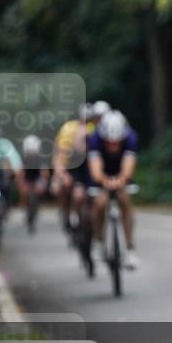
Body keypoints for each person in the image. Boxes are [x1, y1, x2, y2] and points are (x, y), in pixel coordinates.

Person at [87, 110, 139, 269]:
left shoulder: (131, 138)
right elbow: (95, 170)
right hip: (102, 174)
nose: (113, 145)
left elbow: (128, 166)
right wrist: (104, 181)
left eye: (117, 142)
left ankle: (130, 249)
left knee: (125, 200)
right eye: (109, 142)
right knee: (100, 203)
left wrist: (122, 180)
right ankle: (98, 241)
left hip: (120, 172)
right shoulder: (94, 139)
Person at [52, 103, 95, 234]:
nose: (86, 124)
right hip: (70, 164)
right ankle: (66, 215)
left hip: (90, 165)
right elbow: (60, 154)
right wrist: (62, 174)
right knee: (63, 187)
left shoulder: (97, 129)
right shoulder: (69, 129)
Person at [17, 135, 51, 222]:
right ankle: (24, 208)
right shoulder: (23, 159)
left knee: (39, 189)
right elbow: (20, 173)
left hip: (37, 179)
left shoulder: (41, 159)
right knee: (24, 192)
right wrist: (21, 184)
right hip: (27, 179)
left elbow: (45, 173)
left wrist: (43, 182)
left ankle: (38, 204)